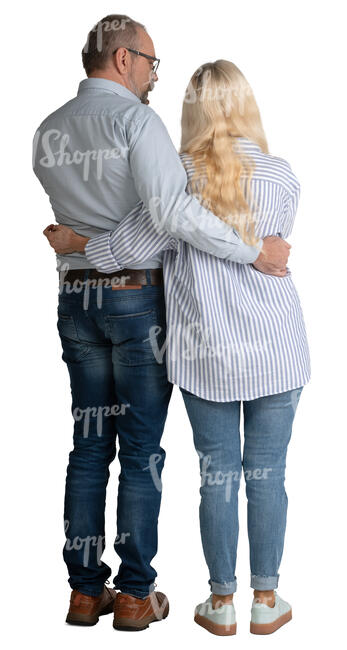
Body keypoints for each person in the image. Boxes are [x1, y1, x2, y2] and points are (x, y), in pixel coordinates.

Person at [33, 14, 290, 631]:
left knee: (89, 447)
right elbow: (171, 215)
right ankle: (134, 593)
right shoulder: (136, 121)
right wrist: (254, 250)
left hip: (77, 301)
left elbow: (134, 219)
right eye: (149, 62)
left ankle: (83, 591)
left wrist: (80, 241)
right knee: (143, 448)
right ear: (123, 60)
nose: (152, 76)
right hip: (136, 303)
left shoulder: (47, 129)